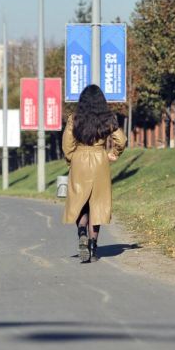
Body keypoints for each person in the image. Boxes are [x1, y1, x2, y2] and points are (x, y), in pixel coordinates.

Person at [62, 85, 126, 263]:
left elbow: (67, 145)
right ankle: (93, 247)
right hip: (100, 160)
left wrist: (71, 161)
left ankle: (81, 233)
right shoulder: (108, 119)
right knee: (97, 205)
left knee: (80, 203)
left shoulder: (74, 119)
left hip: (79, 160)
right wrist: (114, 154)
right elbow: (121, 139)